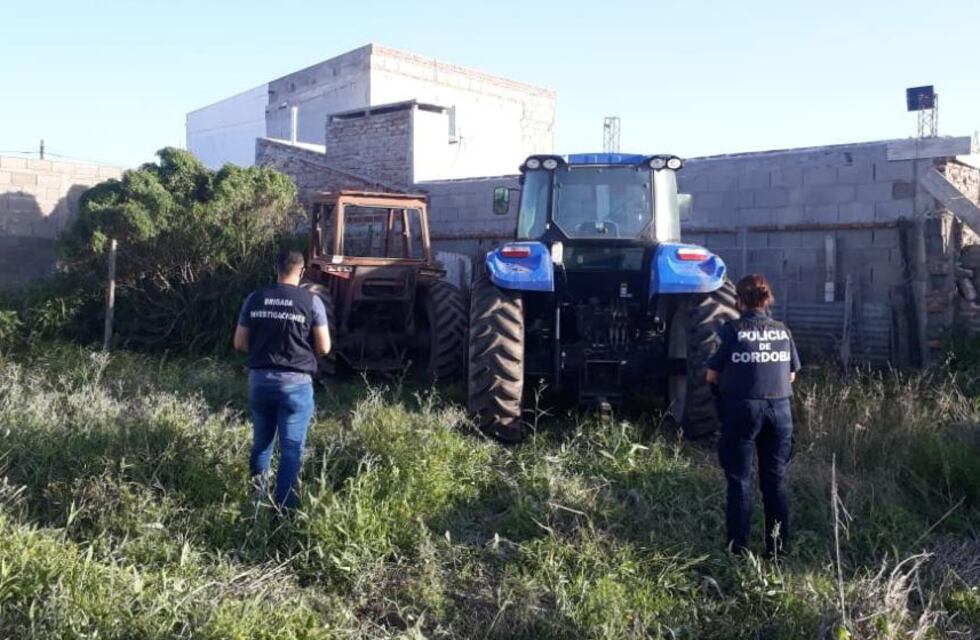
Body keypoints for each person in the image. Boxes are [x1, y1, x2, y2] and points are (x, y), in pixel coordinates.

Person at [706, 274, 800, 556]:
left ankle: (738, 550)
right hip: (780, 411)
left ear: (739, 300)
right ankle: (777, 550)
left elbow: (712, 375)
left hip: (743, 411)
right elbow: (792, 374)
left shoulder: (732, 331)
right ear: (766, 299)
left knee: (740, 482)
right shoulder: (782, 330)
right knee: (775, 481)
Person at [233, 250, 331, 510]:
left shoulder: (254, 298)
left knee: (262, 444)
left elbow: (240, 343)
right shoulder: (312, 301)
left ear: (276, 269)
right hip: (296, 386)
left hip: (260, 383)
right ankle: (284, 510)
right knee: (291, 449)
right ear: (301, 272)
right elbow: (324, 347)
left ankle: (256, 501)